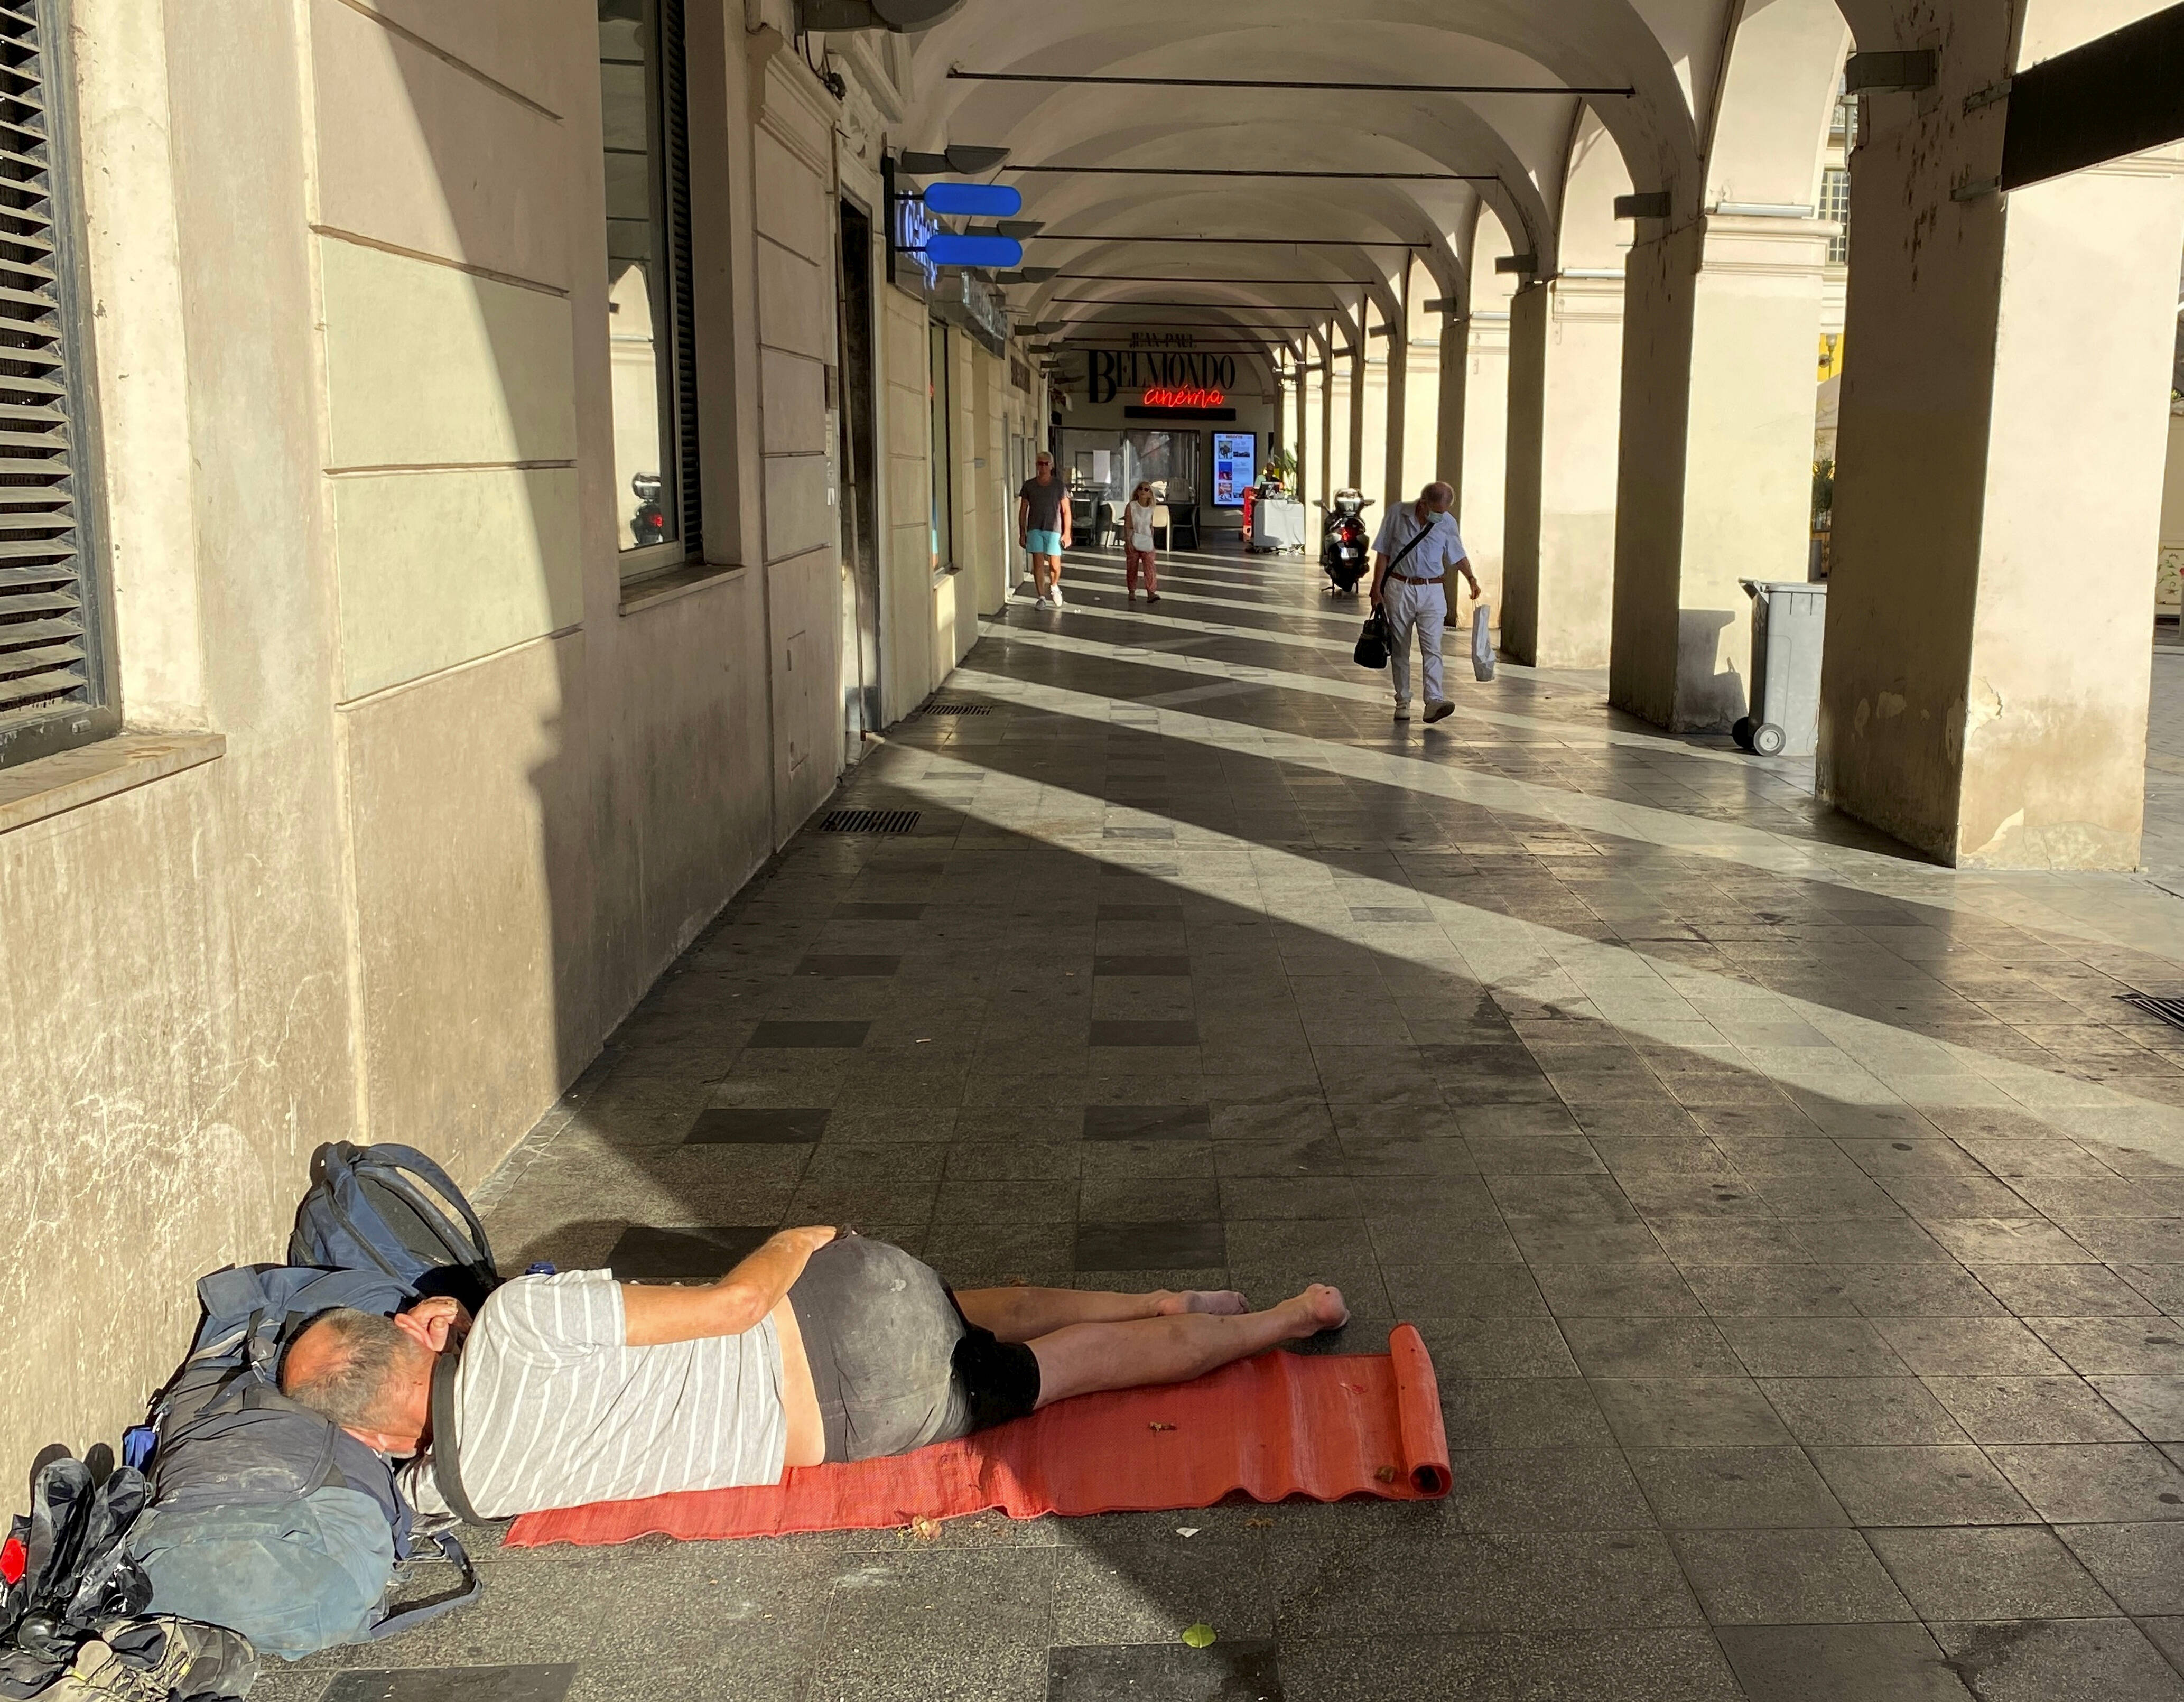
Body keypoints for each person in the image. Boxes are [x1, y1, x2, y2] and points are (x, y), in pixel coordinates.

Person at [280, 1227, 1351, 1520]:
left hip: (866, 1417)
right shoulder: (514, 1320)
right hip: (839, 1309)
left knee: (1042, 1368)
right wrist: (802, 1236)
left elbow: (400, 1460)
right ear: (424, 1328)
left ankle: (1240, 1317)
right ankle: (1236, 1308)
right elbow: (735, 1303)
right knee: (960, 1302)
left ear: (372, 1436)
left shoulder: (454, 1491)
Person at [1368, 480, 1480, 724]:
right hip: (1399, 588)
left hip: (1432, 590)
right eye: (1436, 511)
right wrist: (1376, 588)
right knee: (1400, 648)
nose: (1440, 516)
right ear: (1423, 504)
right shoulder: (1397, 514)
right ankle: (1403, 701)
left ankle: (1434, 700)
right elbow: (1384, 553)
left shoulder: (1447, 523)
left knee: (1433, 648)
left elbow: (1457, 554)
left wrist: (1471, 577)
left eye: (1444, 512)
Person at [1017, 451, 1072, 607]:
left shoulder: (1059, 486)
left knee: (1055, 564)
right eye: (1040, 464)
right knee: (1038, 563)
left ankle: (1054, 586)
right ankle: (1041, 597)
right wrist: (1023, 532)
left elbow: (1066, 510)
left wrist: (1067, 533)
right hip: (1035, 528)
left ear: (1051, 466)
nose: (1043, 467)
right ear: (1036, 465)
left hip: (1054, 529)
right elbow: (1023, 510)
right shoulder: (1029, 485)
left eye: (1046, 464)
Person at [1123, 480, 1162, 603]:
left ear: (1151, 494)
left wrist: (1152, 541)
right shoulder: (1132, 506)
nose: (1143, 492)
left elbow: (1151, 526)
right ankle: (1132, 591)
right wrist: (1128, 541)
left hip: (1147, 541)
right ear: (1137, 492)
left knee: (1150, 566)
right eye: (1141, 489)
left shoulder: (1152, 509)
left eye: (1147, 490)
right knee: (1132, 566)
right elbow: (1128, 525)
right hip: (1134, 538)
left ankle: (1151, 592)